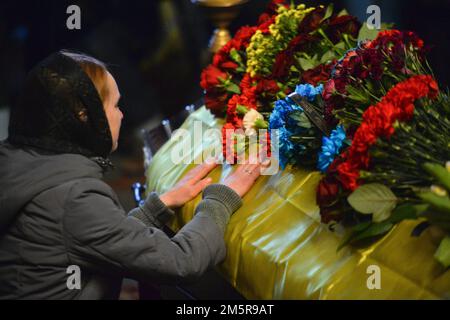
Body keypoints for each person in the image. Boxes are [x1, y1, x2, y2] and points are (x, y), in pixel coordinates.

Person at [0, 51, 267, 299]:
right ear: (85, 117)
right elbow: (182, 262)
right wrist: (223, 196)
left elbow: (94, 241)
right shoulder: (74, 197)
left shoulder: (21, 160)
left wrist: (156, 208)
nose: (122, 115)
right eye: (115, 106)